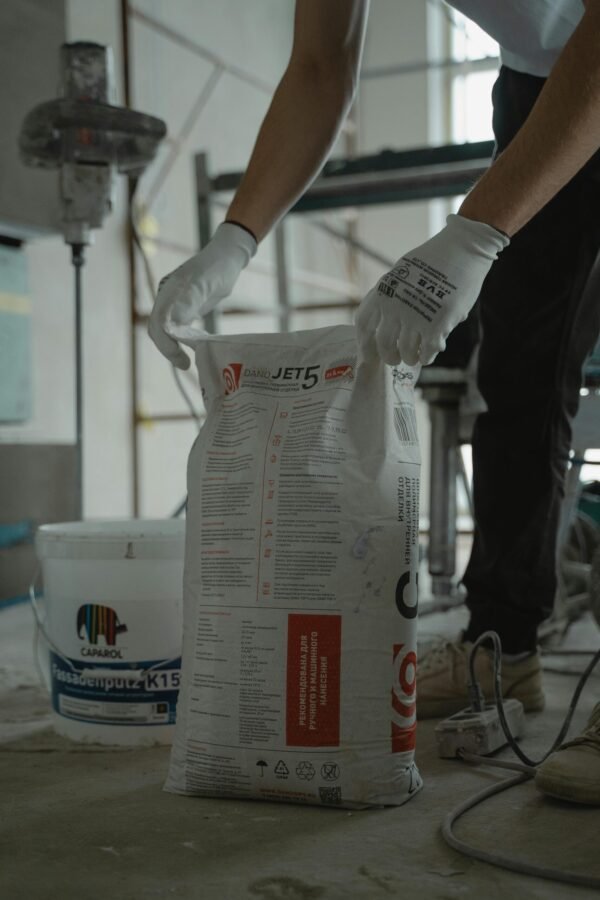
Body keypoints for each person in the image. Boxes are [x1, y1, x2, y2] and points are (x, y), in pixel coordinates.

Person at [148, 0, 600, 805]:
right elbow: (320, 68)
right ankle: (505, 644)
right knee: (520, 369)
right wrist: (234, 241)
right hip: (540, 83)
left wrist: (473, 235)